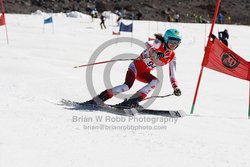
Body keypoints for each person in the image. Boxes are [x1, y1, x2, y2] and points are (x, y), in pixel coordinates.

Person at [85, 28, 182, 108]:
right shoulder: (158, 43)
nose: (173, 44)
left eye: (177, 42)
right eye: (171, 41)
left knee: (155, 81)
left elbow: (173, 74)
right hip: (135, 67)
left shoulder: (172, 56)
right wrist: (154, 52)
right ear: (166, 39)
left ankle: (133, 101)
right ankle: (99, 99)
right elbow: (147, 43)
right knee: (126, 86)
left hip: (144, 73)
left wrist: (175, 87)